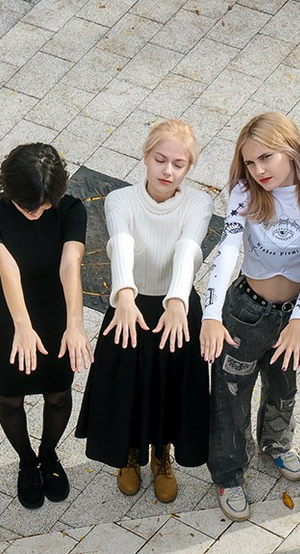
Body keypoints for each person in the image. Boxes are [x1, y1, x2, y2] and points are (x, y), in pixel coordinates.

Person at [199, 112, 300, 520]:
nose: (258, 170)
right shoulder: (245, 193)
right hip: (245, 312)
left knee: (283, 385)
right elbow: (228, 249)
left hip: (293, 316)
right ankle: (229, 472)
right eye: (250, 162)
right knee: (231, 394)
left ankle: (276, 446)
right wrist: (211, 314)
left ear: (292, 150)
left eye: (267, 158)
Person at [78, 120, 212, 505]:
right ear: (145, 156)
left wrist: (177, 301)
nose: (168, 171)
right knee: (126, 386)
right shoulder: (121, 200)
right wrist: (123, 294)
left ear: (189, 168)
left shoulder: (199, 202)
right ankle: (129, 453)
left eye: (179, 164)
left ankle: (161, 455)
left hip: (176, 307)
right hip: (129, 306)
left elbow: (188, 248)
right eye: (160, 160)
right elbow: (120, 242)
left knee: (171, 385)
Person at [0, 143, 91, 509]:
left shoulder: (70, 209)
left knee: (58, 395)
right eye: (28, 205)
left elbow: (71, 263)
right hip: (8, 326)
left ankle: (49, 454)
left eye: (44, 204)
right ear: (8, 189)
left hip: (57, 322)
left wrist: (75, 323)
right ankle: (26, 461)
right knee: (10, 399)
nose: (37, 212)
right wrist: (22, 325)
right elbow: (7, 267)